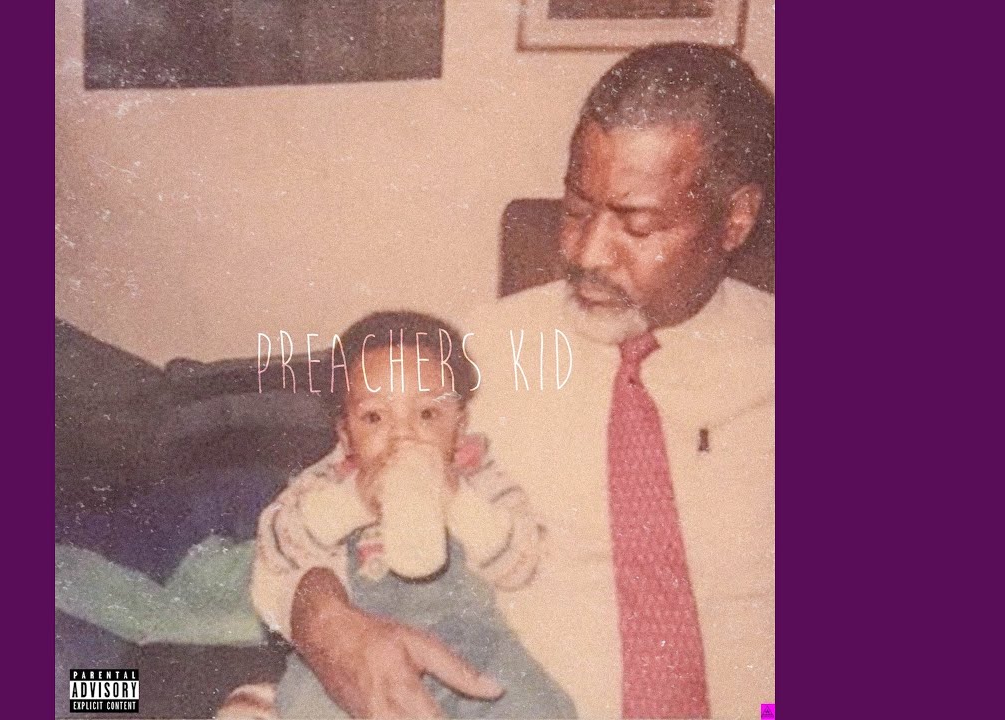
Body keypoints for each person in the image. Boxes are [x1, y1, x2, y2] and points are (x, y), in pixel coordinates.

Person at [283, 43, 775, 719]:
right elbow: (312, 513)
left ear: (734, 220)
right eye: (575, 210)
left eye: (637, 225)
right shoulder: (477, 351)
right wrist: (323, 622)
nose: (586, 252)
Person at [250, 311, 577, 719]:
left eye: (426, 414)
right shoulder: (329, 482)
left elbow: (522, 562)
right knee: (305, 704)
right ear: (345, 434)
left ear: (460, 425)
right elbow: (275, 545)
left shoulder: (478, 476)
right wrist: (353, 501)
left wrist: (456, 500)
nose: (402, 435)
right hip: (360, 650)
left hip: (476, 646)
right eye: (374, 417)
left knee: (537, 706)